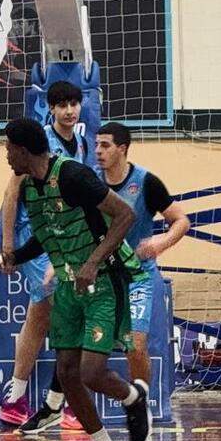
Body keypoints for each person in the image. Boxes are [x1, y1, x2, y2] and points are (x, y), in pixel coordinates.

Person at [0, 117, 151, 441]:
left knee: (91, 372)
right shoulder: (32, 188)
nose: (5, 156)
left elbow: (125, 215)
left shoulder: (72, 175)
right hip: (68, 286)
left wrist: (93, 261)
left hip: (102, 279)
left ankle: (133, 397)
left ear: (21, 150)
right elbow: (46, 234)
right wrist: (15, 256)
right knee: (67, 374)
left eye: (7, 149)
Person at [0, 80, 91, 433]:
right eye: (62, 105)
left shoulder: (80, 142)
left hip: (63, 235)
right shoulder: (40, 143)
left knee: (40, 317)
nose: (69, 111)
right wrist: (9, 247)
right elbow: (11, 193)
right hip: (35, 235)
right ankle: (57, 401)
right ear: (50, 109)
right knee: (59, 309)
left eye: (74, 104)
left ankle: (21, 399)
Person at [95, 122, 190, 389]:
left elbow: (181, 220)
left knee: (135, 344)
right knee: (86, 345)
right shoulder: (90, 180)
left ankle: (141, 403)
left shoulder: (146, 181)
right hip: (101, 275)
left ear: (122, 149)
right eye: (96, 145)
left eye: (105, 145)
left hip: (137, 275)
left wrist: (162, 242)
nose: (98, 151)